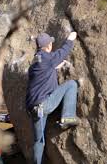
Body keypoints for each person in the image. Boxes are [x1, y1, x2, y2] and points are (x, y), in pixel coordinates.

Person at [26, 32, 79, 164]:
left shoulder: (35, 62)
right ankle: (67, 117)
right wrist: (70, 39)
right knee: (72, 84)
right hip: (44, 105)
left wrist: (53, 67)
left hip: (33, 109)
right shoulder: (48, 58)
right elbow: (64, 51)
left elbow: (43, 70)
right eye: (51, 43)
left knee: (39, 141)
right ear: (49, 45)